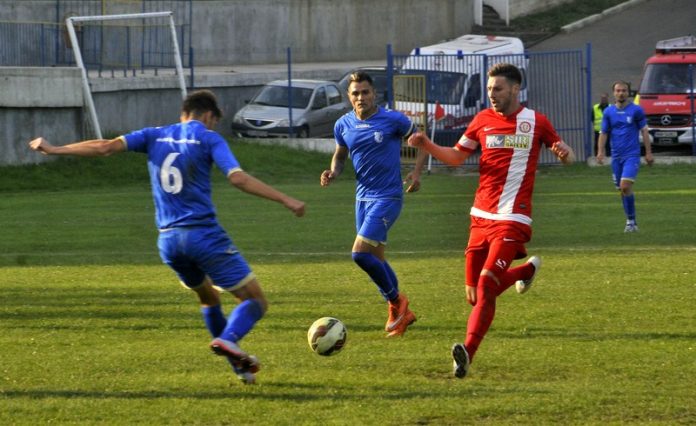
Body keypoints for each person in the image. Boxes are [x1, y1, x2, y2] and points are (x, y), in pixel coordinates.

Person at [28, 90, 305, 384]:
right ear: (208, 115)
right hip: (203, 235)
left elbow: (105, 147)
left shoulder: (154, 135)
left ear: (184, 113)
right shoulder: (209, 138)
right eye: (213, 121)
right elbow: (237, 177)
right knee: (256, 300)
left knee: (209, 297)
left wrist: (55, 149)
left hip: (169, 241)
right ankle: (229, 339)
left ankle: (240, 368)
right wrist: (285, 199)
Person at [406, 63, 575, 378]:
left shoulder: (536, 122)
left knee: (486, 284)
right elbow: (457, 157)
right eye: (488, 89)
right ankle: (525, 271)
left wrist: (566, 154)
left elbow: (567, 154)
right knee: (475, 295)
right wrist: (426, 144)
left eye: (498, 89)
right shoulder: (482, 120)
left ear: (515, 89)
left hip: (513, 217)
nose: (492, 95)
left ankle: (466, 354)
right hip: (481, 216)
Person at [320, 71, 419, 337]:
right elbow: (340, 155)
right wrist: (333, 172)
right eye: (355, 93)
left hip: (388, 196)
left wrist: (417, 172)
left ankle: (397, 301)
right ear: (349, 96)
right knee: (376, 259)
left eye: (365, 92)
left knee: (360, 254)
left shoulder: (393, 120)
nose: (361, 97)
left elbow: (421, 140)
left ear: (374, 94)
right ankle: (401, 314)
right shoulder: (343, 124)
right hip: (362, 198)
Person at [596, 80, 653, 233]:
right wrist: (600, 151)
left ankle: (631, 222)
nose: (621, 93)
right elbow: (603, 133)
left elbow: (644, 131)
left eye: (624, 90)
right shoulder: (608, 112)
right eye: (618, 90)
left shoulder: (636, 110)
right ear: (614, 93)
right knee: (622, 190)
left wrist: (648, 152)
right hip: (616, 157)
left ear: (628, 93)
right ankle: (630, 221)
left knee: (625, 186)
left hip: (632, 155)